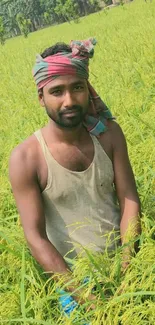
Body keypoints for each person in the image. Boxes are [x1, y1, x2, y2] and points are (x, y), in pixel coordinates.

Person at [9, 38, 141, 310]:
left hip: (126, 267)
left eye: (77, 88)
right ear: (41, 97)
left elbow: (128, 198)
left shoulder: (109, 135)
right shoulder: (26, 158)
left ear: (87, 88)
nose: (69, 100)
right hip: (75, 283)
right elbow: (35, 236)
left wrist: (128, 266)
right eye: (57, 91)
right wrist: (87, 298)